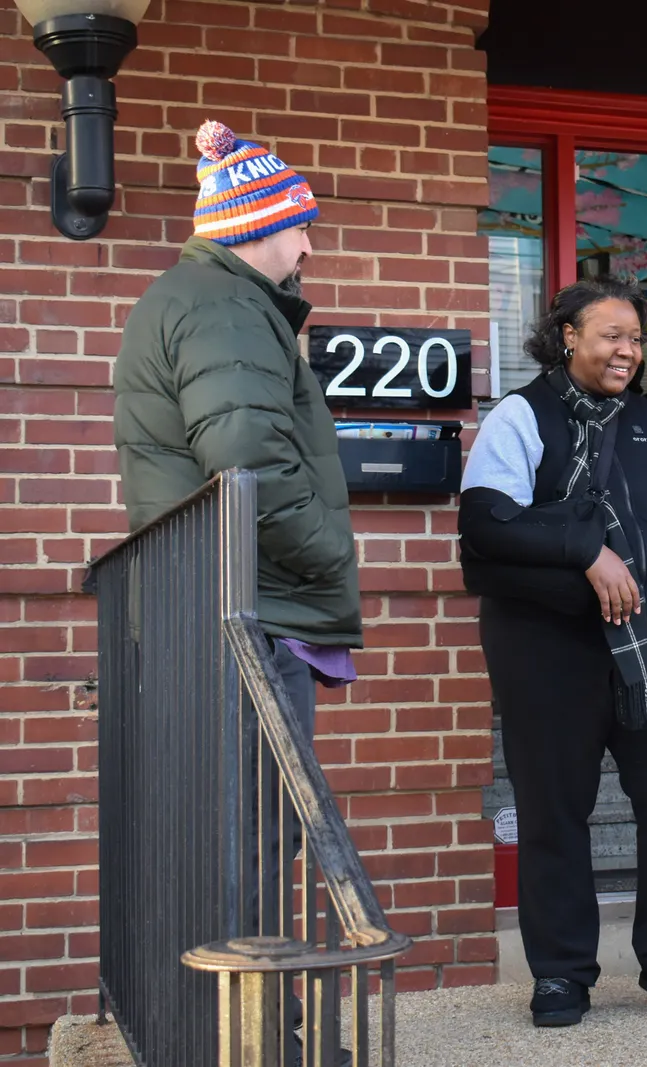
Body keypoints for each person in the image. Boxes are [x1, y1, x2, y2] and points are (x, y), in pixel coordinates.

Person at [112, 120, 359, 1064]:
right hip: (246, 615)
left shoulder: (199, 297)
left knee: (228, 846)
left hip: (210, 612)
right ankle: (253, 1042)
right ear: (262, 224)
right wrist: (332, 558)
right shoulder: (226, 306)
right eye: (302, 226)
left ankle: (229, 1035)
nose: (309, 245)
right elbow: (248, 465)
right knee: (250, 849)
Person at [458, 277, 647, 1026]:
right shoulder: (520, 414)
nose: (628, 351)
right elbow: (487, 524)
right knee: (553, 811)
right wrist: (588, 553)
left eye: (636, 338)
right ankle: (561, 973)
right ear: (568, 335)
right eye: (612, 335)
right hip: (547, 645)